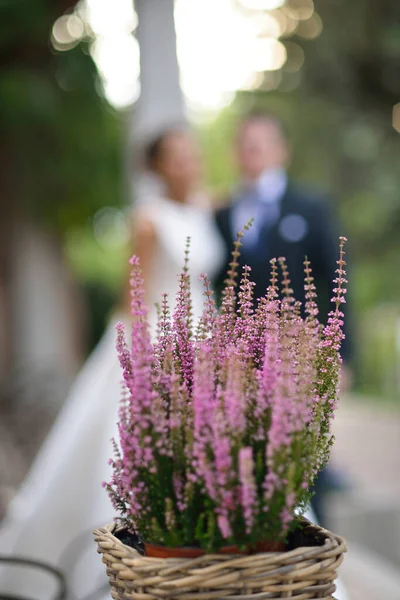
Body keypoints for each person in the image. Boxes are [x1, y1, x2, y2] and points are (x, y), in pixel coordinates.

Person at [0, 128, 225, 600]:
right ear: (157, 167)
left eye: (192, 154)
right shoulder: (147, 220)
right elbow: (133, 295)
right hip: (161, 335)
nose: (188, 163)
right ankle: (124, 564)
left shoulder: (204, 210)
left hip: (206, 338)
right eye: (176, 157)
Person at [214, 111, 352, 526]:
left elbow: (339, 279)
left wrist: (342, 354)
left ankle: (317, 553)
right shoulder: (222, 212)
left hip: (301, 352)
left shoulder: (311, 206)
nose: (252, 152)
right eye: (245, 144)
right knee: (247, 452)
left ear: (281, 150)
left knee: (304, 453)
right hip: (240, 359)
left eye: (261, 143)